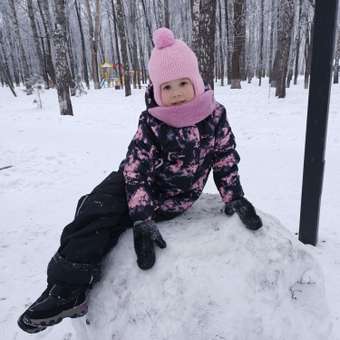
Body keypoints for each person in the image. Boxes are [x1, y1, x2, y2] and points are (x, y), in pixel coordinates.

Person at [17, 27, 262, 334]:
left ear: (196, 81)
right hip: (139, 186)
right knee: (92, 206)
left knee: (99, 209)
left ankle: (68, 289)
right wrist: (141, 217)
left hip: (173, 199)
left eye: (183, 83)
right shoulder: (152, 122)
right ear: (158, 91)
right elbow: (135, 171)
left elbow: (225, 157)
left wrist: (234, 195)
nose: (176, 93)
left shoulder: (214, 116)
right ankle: (66, 287)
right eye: (167, 87)